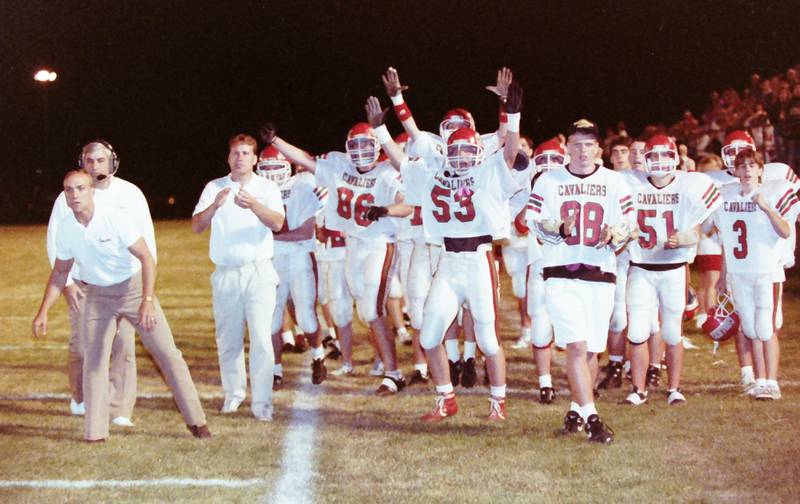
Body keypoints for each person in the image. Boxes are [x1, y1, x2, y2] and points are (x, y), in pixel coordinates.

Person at [375, 81, 524, 421]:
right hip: (447, 260)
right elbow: (402, 161)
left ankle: (498, 402)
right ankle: (446, 398)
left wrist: (512, 116)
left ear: (479, 152)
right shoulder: (434, 172)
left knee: (488, 339)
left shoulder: (489, 170)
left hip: (478, 259)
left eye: (469, 151)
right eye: (456, 151)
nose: (462, 157)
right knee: (429, 336)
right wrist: (381, 130)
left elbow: (511, 152)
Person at [33, 169, 209, 441]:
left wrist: (147, 301)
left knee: (168, 355)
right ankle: (95, 434)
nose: (75, 194)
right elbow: (60, 272)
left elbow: (147, 259)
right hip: (97, 297)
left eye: (81, 188)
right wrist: (43, 312)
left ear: (92, 190)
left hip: (133, 289)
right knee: (94, 363)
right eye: (69, 189)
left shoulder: (113, 217)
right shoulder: (67, 227)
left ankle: (197, 422)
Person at [262, 118, 410, 396]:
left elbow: (407, 205)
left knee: (371, 310)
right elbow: (305, 161)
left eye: (367, 144)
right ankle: (383, 364)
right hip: (353, 245)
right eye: (356, 145)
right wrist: (275, 142)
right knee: (362, 309)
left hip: (379, 243)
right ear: (347, 147)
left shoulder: (387, 171)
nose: (361, 150)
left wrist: (386, 210)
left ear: (376, 145)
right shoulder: (339, 165)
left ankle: (393, 373)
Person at [527, 119, 634, 443]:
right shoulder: (548, 180)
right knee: (575, 345)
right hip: (562, 271)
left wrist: (614, 233)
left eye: (588, 144)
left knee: (590, 350)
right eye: (576, 144)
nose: (582, 150)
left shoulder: (616, 182)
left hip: (600, 272)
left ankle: (576, 407)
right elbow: (532, 220)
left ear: (598, 149)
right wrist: (558, 227)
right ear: (567, 148)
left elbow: (629, 222)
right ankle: (593, 420)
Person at [46, 140, 144, 425]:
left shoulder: (130, 194)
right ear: (82, 163)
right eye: (89, 160)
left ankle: (120, 408)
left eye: (101, 160)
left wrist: (142, 286)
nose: (95, 166)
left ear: (112, 162)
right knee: (81, 346)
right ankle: (80, 396)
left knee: (123, 344)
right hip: (83, 283)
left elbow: (146, 240)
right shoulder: (68, 196)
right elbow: (56, 241)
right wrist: (67, 285)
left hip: (123, 283)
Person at [191, 134, 285, 421]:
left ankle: (262, 403)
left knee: (261, 337)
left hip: (258, 270)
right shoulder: (214, 187)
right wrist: (215, 205)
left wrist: (254, 205)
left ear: (255, 158)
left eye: (246, 153)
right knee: (228, 339)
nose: (240, 158)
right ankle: (233, 395)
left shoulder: (266, 187)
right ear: (228, 157)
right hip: (226, 272)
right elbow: (196, 225)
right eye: (235, 153)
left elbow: (278, 223)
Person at [622, 134, 721, 406]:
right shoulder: (630, 184)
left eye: (666, 155)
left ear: (675, 157)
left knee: (672, 332)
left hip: (674, 268)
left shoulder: (690, 184)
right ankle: (638, 389)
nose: (660, 161)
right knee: (638, 331)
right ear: (646, 159)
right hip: (641, 267)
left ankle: (674, 388)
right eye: (654, 156)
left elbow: (706, 225)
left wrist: (692, 236)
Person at [711, 149, 797, 400]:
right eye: (742, 166)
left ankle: (772, 381)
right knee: (749, 327)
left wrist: (767, 208)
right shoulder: (725, 196)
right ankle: (760, 380)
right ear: (735, 171)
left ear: (761, 169)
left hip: (766, 271)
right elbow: (726, 240)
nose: (747, 170)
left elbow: (785, 231)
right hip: (739, 272)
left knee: (765, 328)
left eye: (752, 165)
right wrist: (722, 275)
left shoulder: (773, 192)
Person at [256, 146, 328, 388]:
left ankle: (318, 356)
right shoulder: (256, 189)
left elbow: (305, 231)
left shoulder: (303, 183)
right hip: (271, 260)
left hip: (299, 257)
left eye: (276, 167)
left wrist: (272, 236)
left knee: (307, 318)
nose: (272, 174)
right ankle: (275, 370)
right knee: (272, 320)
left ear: (288, 167)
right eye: (266, 169)